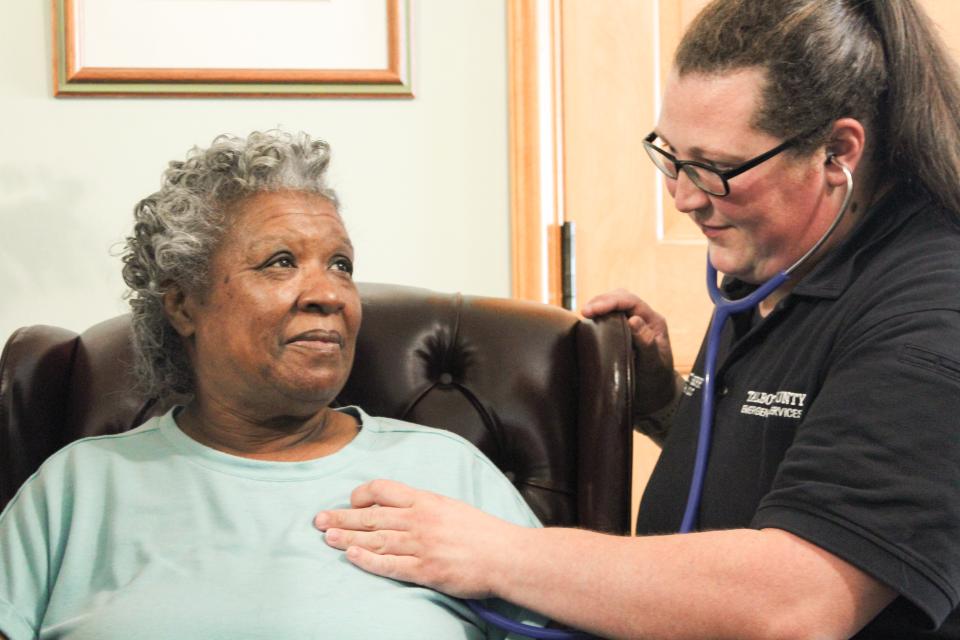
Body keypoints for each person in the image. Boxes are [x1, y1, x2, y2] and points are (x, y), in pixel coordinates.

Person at [314, 1, 960, 638]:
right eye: (671, 156)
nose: (682, 195)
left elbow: (796, 603)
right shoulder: (772, 265)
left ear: (836, 154)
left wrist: (492, 553)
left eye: (714, 167)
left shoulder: (933, 314)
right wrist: (666, 408)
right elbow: (804, 464)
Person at [0, 131, 545, 640]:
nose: (329, 294)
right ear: (184, 303)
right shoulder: (77, 490)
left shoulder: (448, 472)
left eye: (340, 265)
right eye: (281, 262)